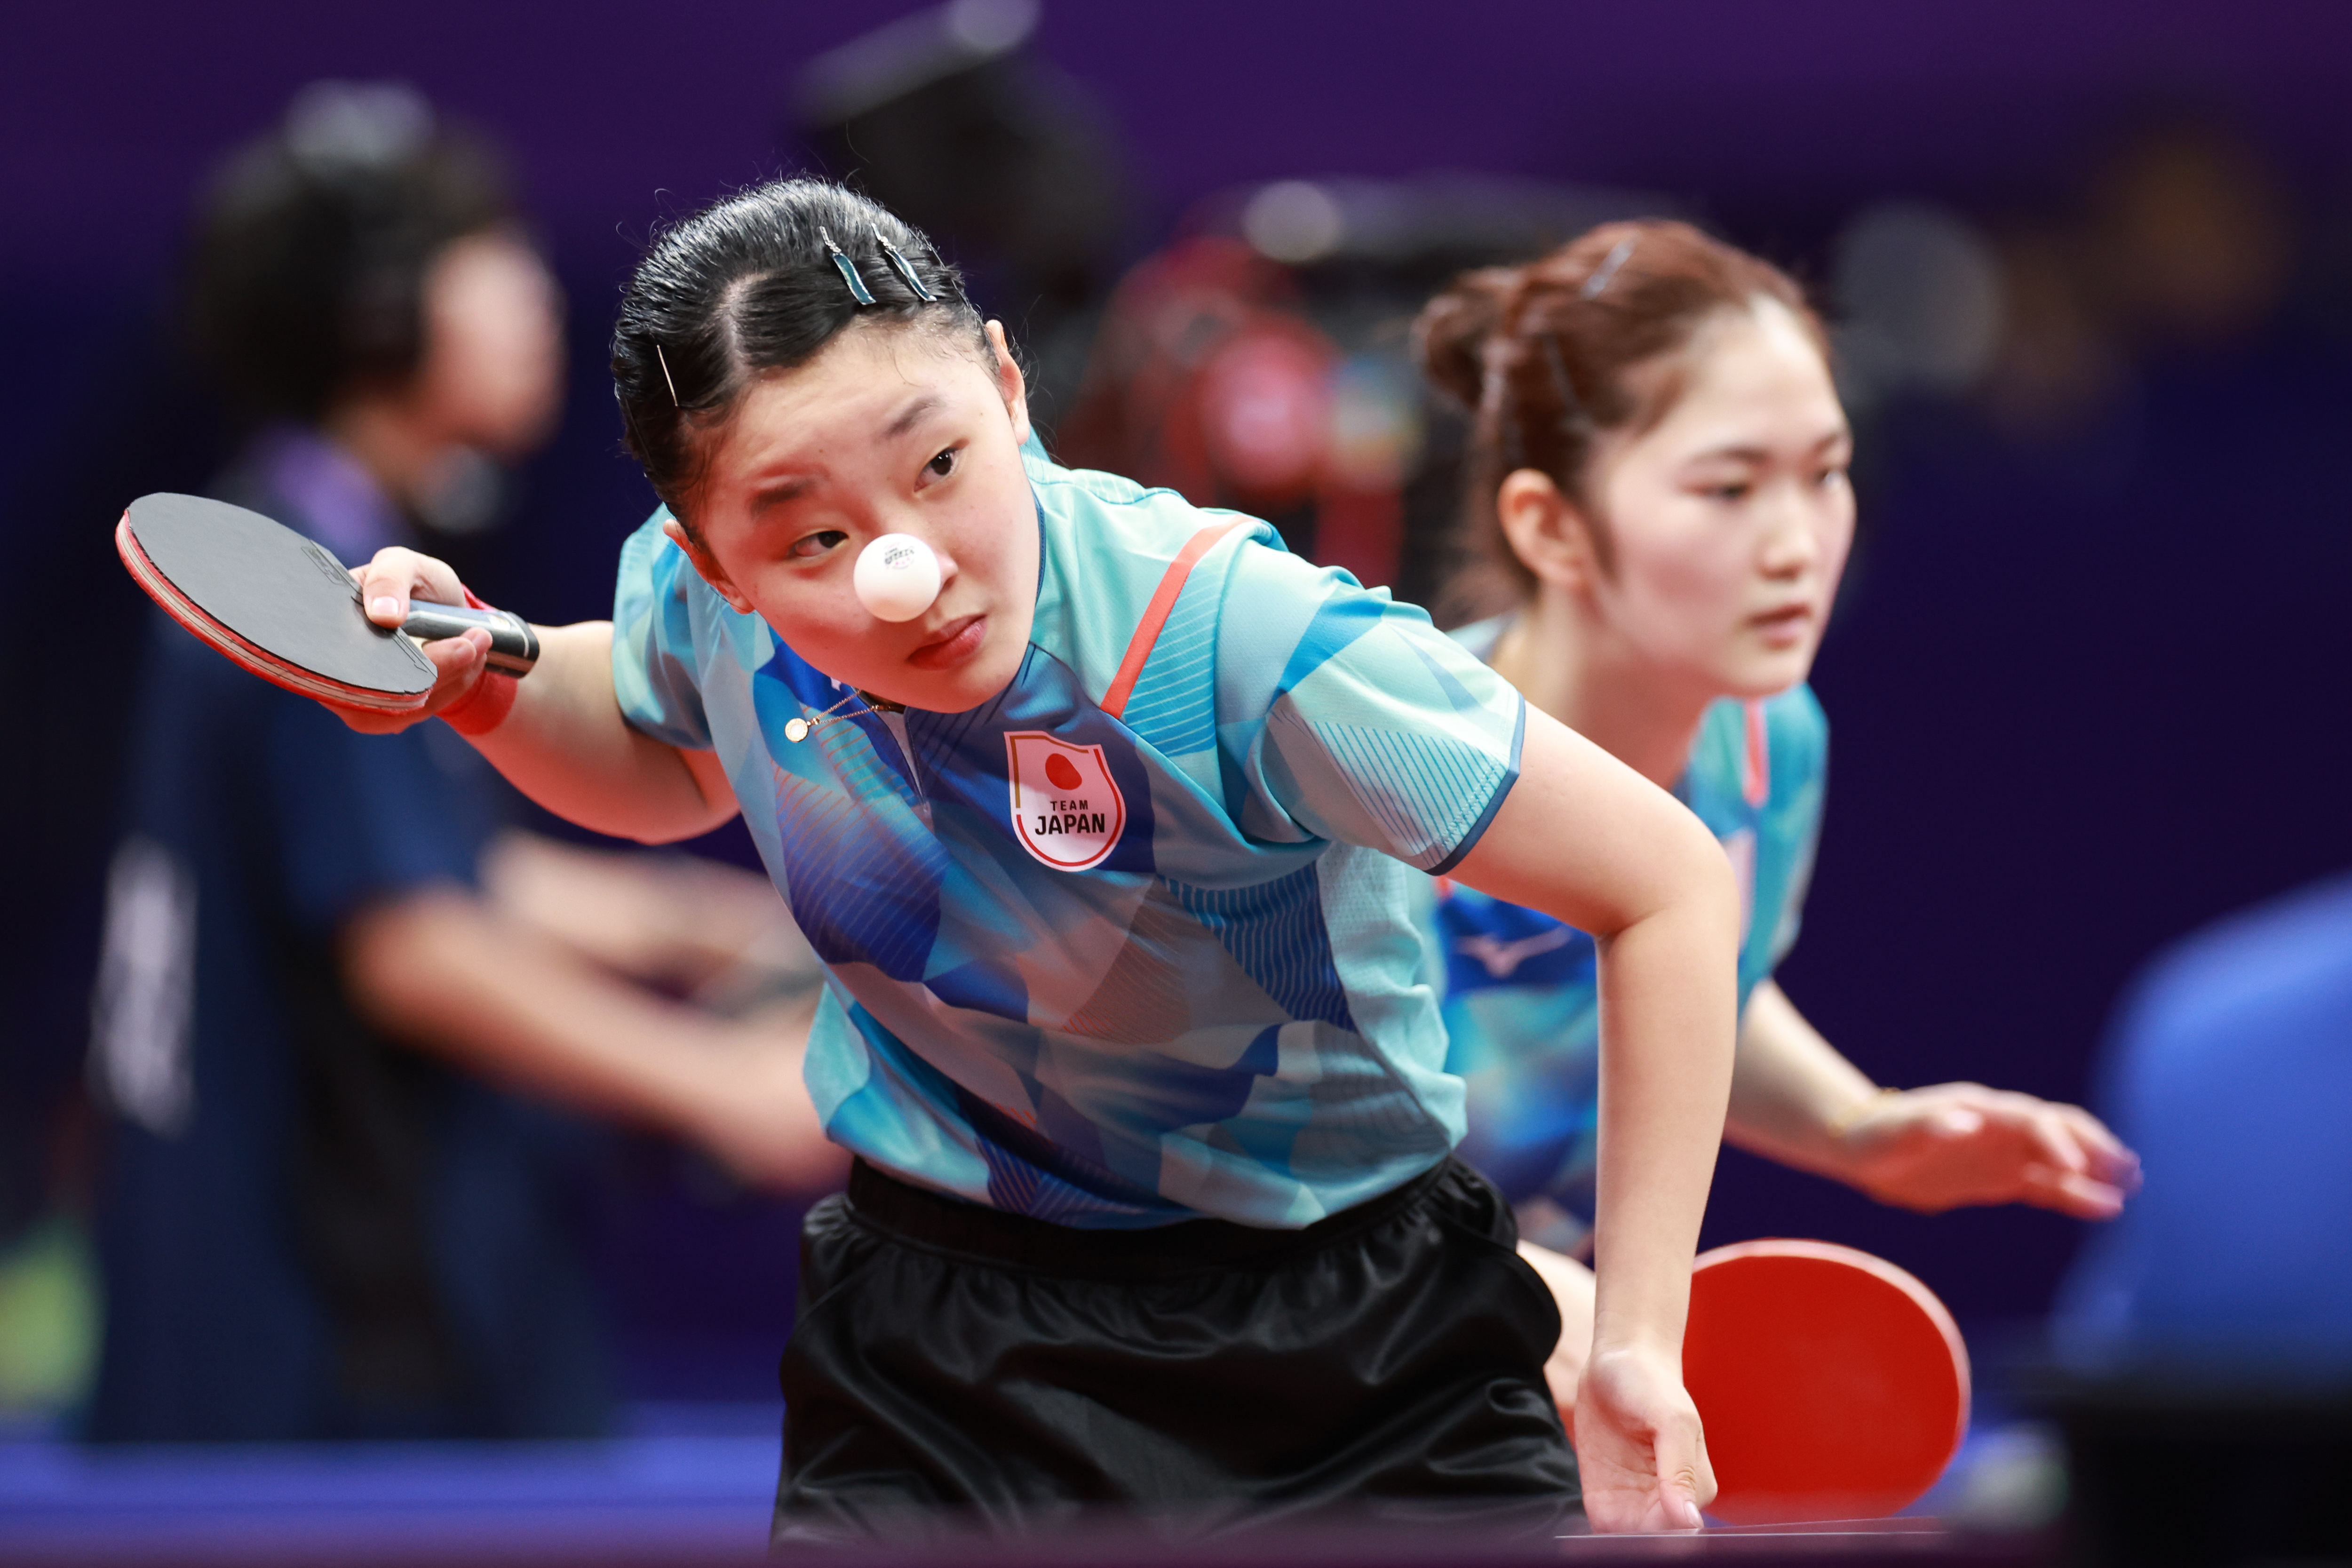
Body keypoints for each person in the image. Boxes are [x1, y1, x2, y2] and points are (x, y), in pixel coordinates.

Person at [334, 177, 1743, 1538]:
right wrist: (484, 680)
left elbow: (1664, 882)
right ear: (713, 560)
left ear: (1008, 388)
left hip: (1351, 1339)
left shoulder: (1239, 641)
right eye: (814, 535)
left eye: (941, 464)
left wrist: (1637, 1333)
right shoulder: (716, 597)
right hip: (944, 1342)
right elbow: (664, 756)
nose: (908, 568)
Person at [88, 86, 841, 1445]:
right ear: (381, 314)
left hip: (256, 1303)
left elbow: (432, 864)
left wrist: (709, 927)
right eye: (488, 260)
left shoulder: (292, 540)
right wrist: (724, 1089)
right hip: (321, 1340)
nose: (535, 297)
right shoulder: (325, 603)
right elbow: (413, 944)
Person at [1408, 221, 2142, 1416]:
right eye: (1730, 487)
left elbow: (1685, 986)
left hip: (1521, 1388)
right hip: (1310, 1391)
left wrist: (1859, 1126)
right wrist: (1509, 1284)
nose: (1799, 544)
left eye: (1826, 472)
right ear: (1550, 525)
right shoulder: (1378, 772)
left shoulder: (1764, 740)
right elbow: (1277, 1172)